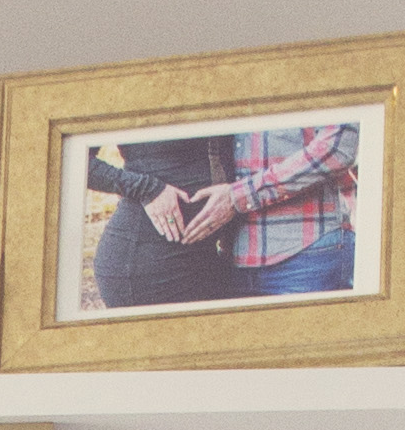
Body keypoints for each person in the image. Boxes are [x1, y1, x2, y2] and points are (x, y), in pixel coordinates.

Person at [86, 116, 360, 308]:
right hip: (148, 261)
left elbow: (342, 143)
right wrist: (145, 188)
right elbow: (70, 155)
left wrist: (239, 196)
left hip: (278, 255)